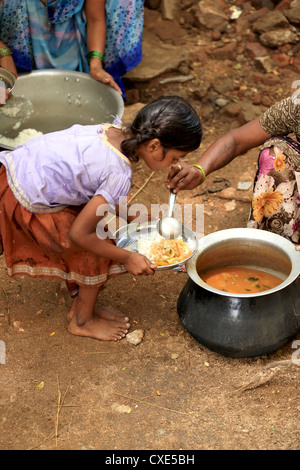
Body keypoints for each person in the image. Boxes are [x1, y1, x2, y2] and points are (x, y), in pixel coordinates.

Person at [0, 95, 202, 341]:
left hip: (16, 172)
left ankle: (79, 294)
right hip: (28, 199)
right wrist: (128, 257)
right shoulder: (119, 172)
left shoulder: (111, 132)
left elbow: (88, 177)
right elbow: (79, 234)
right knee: (95, 248)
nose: (176, 164)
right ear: (153, 146)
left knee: (93, 229)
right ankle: (82, 320)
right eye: (175, 158)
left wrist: (130, 214)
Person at [167, 94, 300, 248]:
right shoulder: (296, 107)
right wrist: (199, 170)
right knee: (275, 156)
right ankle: (283, 247)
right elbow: (237, 140)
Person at [0, 0, 144, 97]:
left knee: (75, 94)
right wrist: (3, 52)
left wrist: (96, 65)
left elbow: (96, 20)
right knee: (8, 95)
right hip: (21, 44)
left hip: (71, 40)